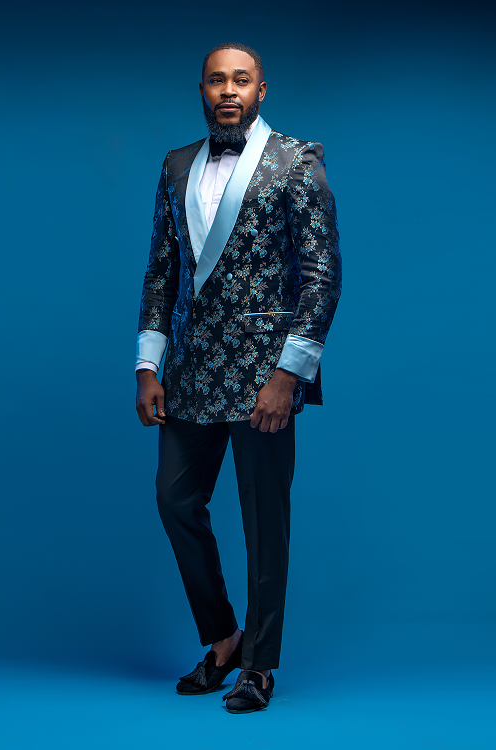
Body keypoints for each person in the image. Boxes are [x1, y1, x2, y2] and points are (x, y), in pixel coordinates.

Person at [135, 42, 341, 713]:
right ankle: (224, 638)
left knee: (263, 523)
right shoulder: (175, 165)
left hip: (263, 377)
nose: (229, 90)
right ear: (202, 89)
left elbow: (322, 277)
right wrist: (147, 364)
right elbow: (163, 271)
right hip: (190, 373)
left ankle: (260, 665)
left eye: (241, 80)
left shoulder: (297, 160)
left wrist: (289, 375)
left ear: (261, 90)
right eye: (217, 80)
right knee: (175, 502)